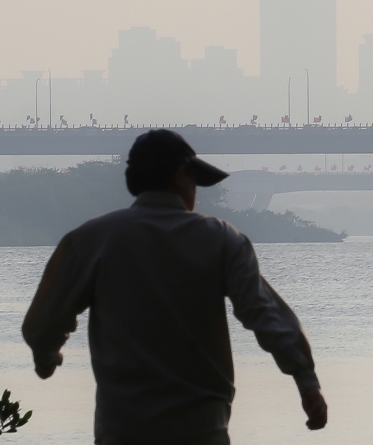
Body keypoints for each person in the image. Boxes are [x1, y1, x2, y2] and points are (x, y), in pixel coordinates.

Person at [22, 129, 327, 445]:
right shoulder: (222, 240)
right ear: (181, 175)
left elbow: (42, 324)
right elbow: (265, 315)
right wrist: (306, 382)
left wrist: (47, 358)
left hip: (122, 432)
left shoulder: (90, 240)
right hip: (203, 432)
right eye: (195, 180)